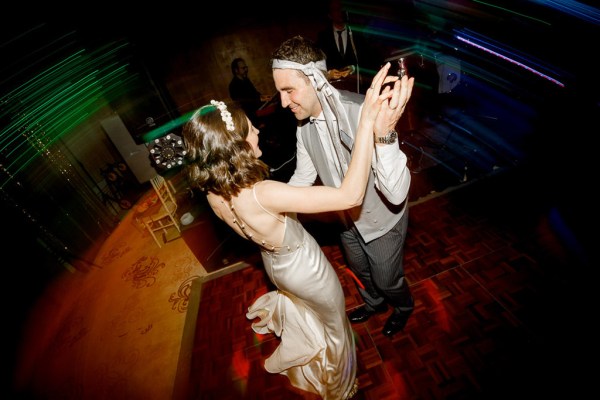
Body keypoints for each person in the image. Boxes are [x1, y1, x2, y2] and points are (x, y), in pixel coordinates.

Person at [182, 63, 412, 399]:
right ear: (236, 148)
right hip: (307, 271)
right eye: (250, 131)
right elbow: (350, 196)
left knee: (314, 317)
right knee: (335, 326)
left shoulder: (214, 193)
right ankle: (341, 386)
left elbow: (281, 206)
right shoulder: (264, 193)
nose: (258, 132)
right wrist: (366, 126)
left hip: (275, 266)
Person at [271, 35, 416, 338]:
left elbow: (396, 193)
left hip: (383, 222)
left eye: (288, 90)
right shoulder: (303, 126)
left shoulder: (362, 110)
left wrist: (385, 134)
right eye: (280, 92)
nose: (283, 102)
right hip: (345, 221)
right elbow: (302, 177)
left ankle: (402, 307)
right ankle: (374, 303)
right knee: (361, 272)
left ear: (314, 80)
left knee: (387, 279)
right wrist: (274, 211)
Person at [316, 0, 380, 92]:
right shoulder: (323, 36)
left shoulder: (356, 34)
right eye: (336, 9)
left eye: (341, 8)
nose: (340, 12)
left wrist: (354, 68)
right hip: (333, 89)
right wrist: (328, 74)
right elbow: (319, 63)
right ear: (330, 15)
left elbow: (367, 59)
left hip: (355, 87)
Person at [228, 57, 271, 125]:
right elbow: (241, 102)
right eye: (243, 68)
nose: (246, 70)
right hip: (250, 116)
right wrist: (259, 99)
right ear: (236, 70)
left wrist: (262, 96)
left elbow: (254, 93)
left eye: (246, 67)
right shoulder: (233, 85)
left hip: (257, 111)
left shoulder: (246, 80)